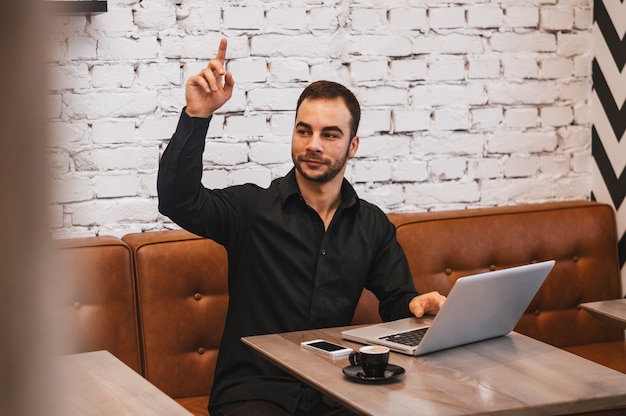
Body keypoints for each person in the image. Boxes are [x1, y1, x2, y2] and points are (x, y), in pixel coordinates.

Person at [157, 38, 446, 416]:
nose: (314, 145)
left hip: (337, 390)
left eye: (329, 134)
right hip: (254, 392)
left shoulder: (372, 224)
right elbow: (179, 201)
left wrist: (416, 303)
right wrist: (197, 116)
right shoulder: (250, 208)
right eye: (304, 131)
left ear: (352, 145)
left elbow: (396, 300)